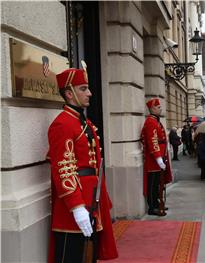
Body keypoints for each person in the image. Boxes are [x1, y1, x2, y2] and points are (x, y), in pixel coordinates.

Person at [47, 65, 118, 262]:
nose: (90, 93)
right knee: (73, 254)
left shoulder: (82, 122)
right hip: (75, 202)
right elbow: (63, 168)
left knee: (89, 255)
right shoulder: (62, 124)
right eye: (83, 88)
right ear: (69, 94)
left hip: (91, 198)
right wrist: (76, 206)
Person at [141, 98, 172, 216]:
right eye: (158, 107)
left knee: (158, 183)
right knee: (152, 184)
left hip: (159, 157)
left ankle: (157, 203)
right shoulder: (150, 122)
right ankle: (152, 207)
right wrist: (158, 158)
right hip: (153, 160)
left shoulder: (155, 121)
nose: (161, 109)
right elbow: (153, 141)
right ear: (152, 108)